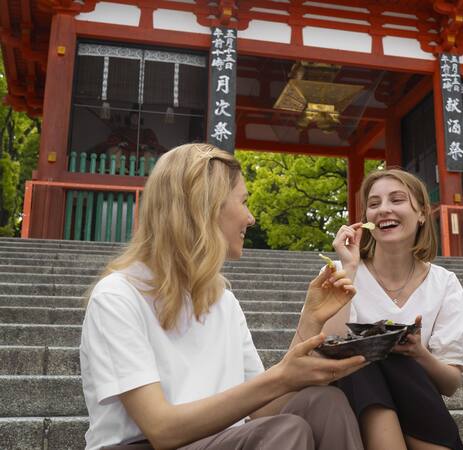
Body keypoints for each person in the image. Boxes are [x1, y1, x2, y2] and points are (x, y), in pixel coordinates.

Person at [80, 143, 367, 450]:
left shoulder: (223, 301)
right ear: (205, 207)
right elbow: (161, 430)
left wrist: (310, 320)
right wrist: (282, 377)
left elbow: (261, 409)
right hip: (141, 445)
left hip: (222, 439)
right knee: (284, 430)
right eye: (243, 202)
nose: (251, 218)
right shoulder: (117, 296)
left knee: (326, 402)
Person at [315, 168, 463, 450]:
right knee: (362, 359)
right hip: (352, 406)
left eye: (397, 200)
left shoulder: (445, 283)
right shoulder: (340, 271)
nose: (383, 209)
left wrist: (418, 353)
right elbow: (326, 349)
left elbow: (450, 384)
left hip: (419, 404)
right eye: (374, 204)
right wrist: (349, 268)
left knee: (394, 360)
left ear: (422, 213)